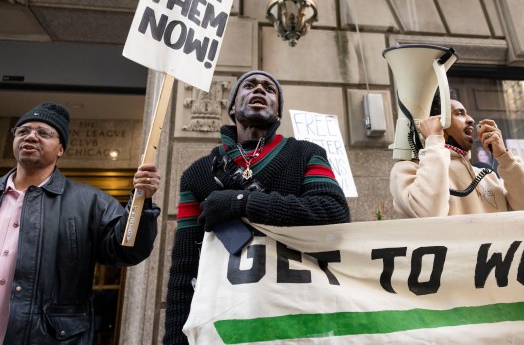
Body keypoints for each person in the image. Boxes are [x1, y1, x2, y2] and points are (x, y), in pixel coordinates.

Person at [163, 70, 350, 345]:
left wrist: (241, 202)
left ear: (278, 112)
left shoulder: (307, 153)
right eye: (249, 85)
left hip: (296, 321)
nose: (260, 89)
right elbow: (185, 267)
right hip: (226, 325)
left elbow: (334, 213)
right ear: (232, 106)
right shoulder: (196, 175)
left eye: (269, 89)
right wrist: (175, 340)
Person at [0, 102, 161, 344]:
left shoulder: (91, 202)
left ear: (61, 148)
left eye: (43, 133)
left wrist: (142, 201)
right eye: (23, 131)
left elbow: (125, 250)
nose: (30, 136)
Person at [390, 99, 524, 217]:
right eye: (459, 113)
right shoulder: (407, 170)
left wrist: (505, 157)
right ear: (435, 122)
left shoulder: (489, 177)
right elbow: (429, 213)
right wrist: (434, 140)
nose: (470, 119)